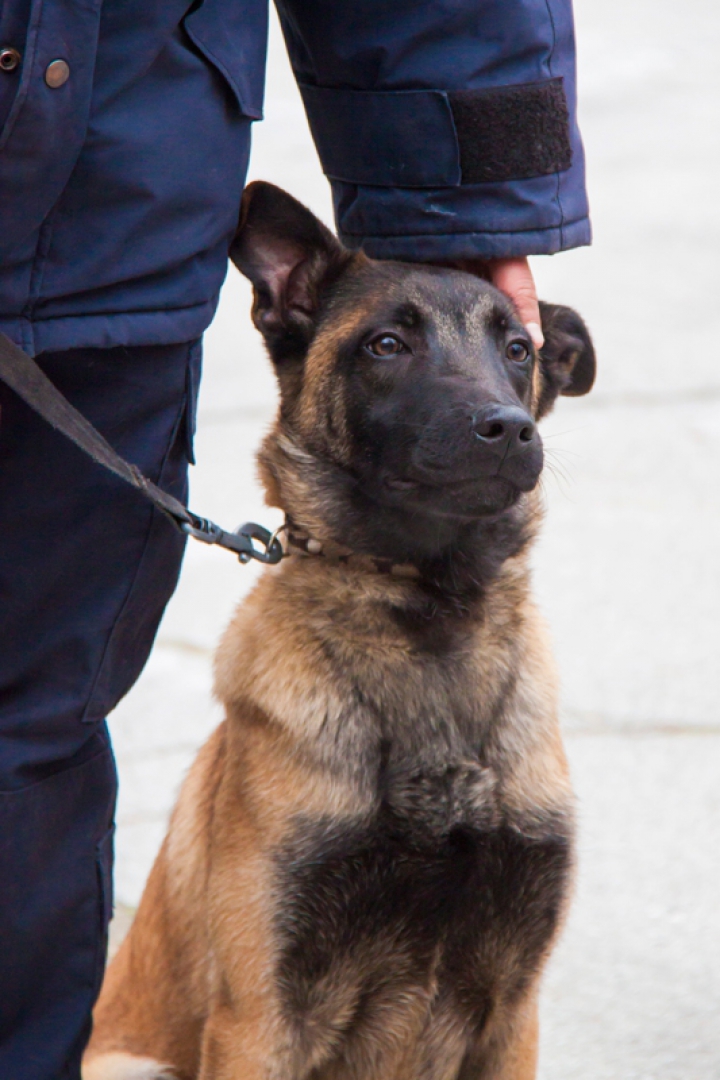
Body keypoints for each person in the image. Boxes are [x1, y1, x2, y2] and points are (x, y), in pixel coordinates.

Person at [0, 1, 590, 1075]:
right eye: (393, 346)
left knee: (23, 730)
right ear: (284, 315)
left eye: (514, 359)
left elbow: (500, 1028)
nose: (496, 401)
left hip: (102, 234)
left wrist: (475, 208)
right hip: (115, 221)